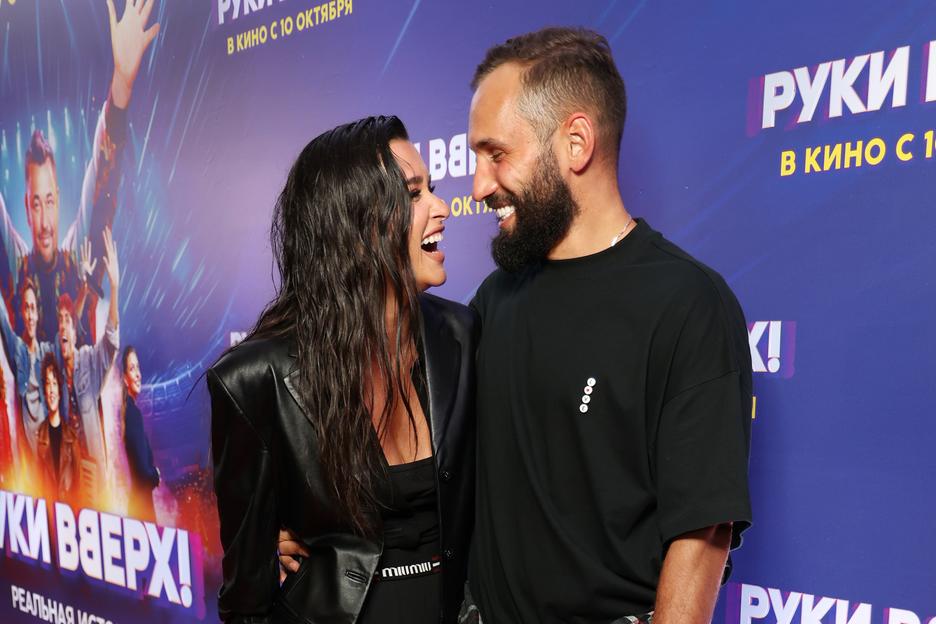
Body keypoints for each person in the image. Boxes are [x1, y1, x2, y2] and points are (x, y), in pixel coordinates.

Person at [454, 27, 753, 624]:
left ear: (576, 143)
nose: (479, 186)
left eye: (496, 154)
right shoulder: (493, 300)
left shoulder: (688, 305)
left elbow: (701, 536)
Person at [207, 116, 478, 624]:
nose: (441, 208)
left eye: (433, 189)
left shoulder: (462, 336)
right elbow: (246, 600)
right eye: (413, 194)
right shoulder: (257, 380)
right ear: (354, 226)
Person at [0, 0, 159, 346]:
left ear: (58, 200)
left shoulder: (76, 261)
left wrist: (121, 84)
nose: (44, 222)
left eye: (49, 201)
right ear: (26, 208)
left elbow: (101, 179)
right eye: (36, 204)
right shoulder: (16, 271)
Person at [57, 227, 121, 499]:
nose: (63, 326)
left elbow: (110, 341)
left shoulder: (87, 362)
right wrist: (83, 287)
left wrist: (114, 288)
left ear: (76, 331)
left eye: (68, 322)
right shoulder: (55, 370)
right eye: (60, 322)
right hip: (66, 476)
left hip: (92, 473)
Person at [35, 352, 83, 505]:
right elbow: (37, 489)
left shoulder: (72, 438)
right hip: (46, 514)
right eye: (48, 384)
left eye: (54, 383)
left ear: (60, 392)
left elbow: (79, 488)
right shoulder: (38, 437)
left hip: (68, 515)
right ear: (44, 391)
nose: (51, 390)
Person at [122, 346, 160, 522]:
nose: (138, 374)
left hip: (136, 507)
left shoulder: (128, 412)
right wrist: (156, 475)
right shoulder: (133, 414)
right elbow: (143, 473)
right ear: (125, 379)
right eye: (132, 369)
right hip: (142, 509)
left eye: (138, 367)